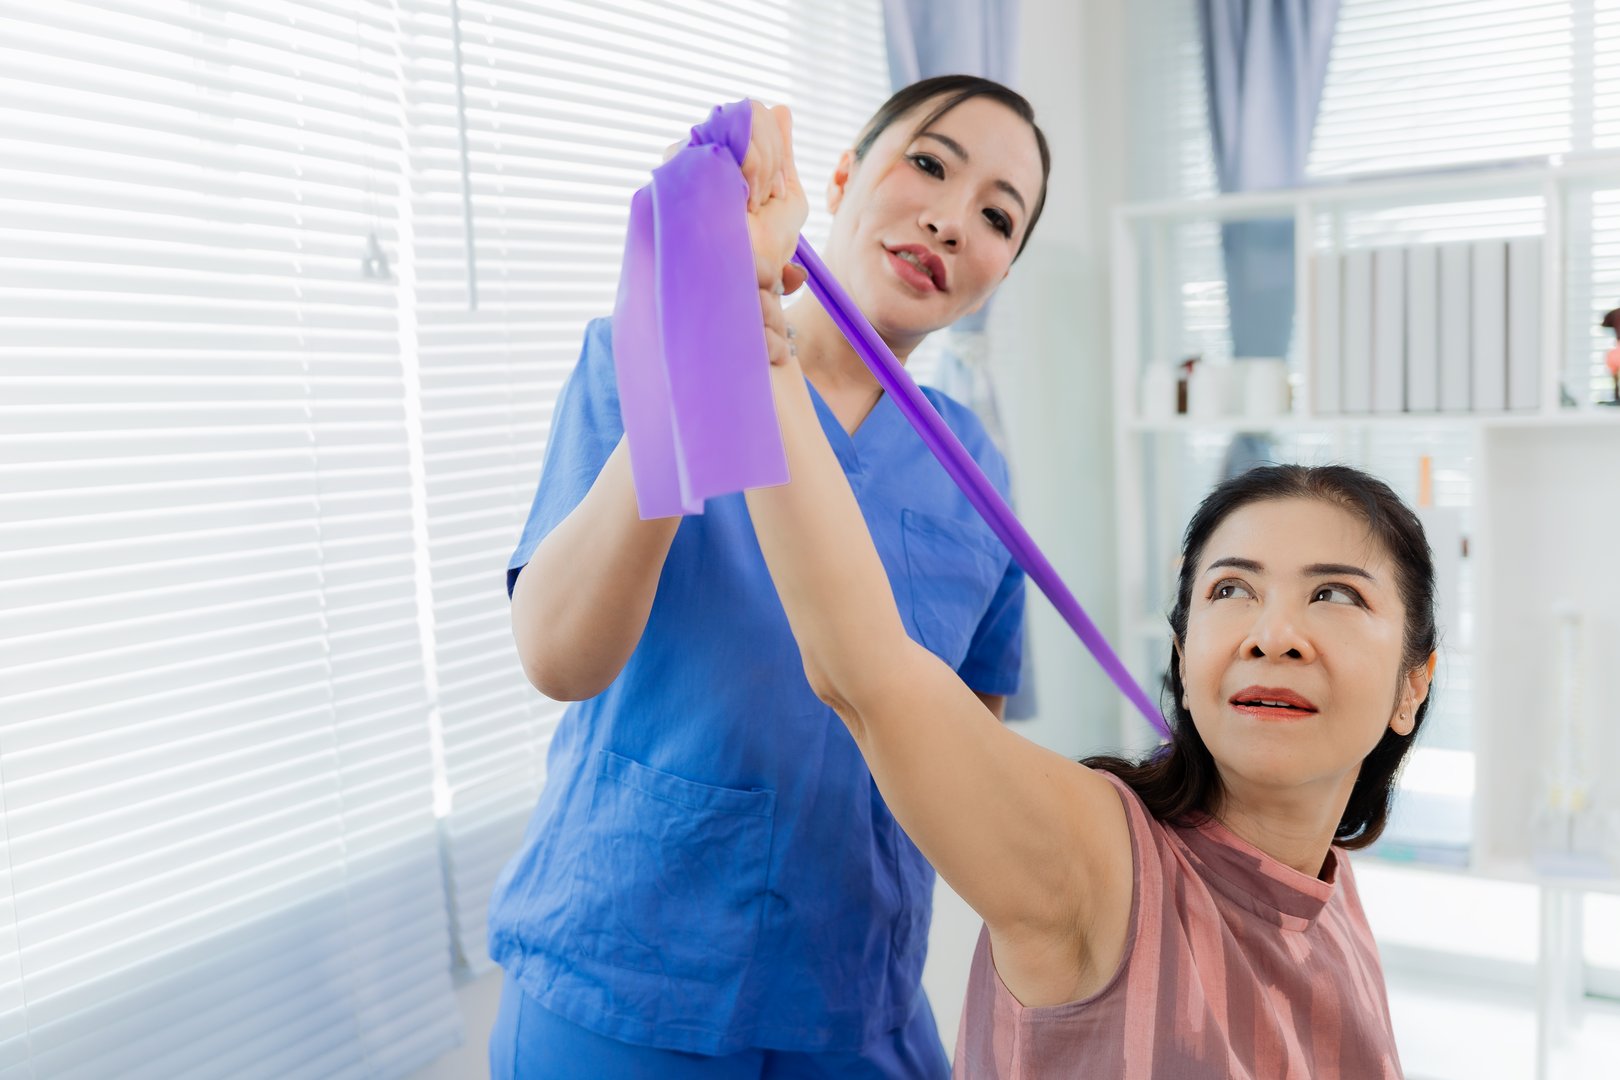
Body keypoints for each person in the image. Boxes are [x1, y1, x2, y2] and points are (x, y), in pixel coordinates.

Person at [744, 166, 1437, 1071]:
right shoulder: (1097, 865)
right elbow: (865, 672)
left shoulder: (1329, 895)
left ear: (1411, 685)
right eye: (1231, 589)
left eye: (1334, 593)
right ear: (1187, 655)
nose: (1273, 633)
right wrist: (759, 348)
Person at [488, 76, 1052, 1079]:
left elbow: (969, 761)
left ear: (1004, 268)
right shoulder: (646, 352)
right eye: (929, 164)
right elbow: (559, 654)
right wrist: (699, 363)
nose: (952, 220)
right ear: (842, 175)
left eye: (999, 217)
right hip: (625, 977)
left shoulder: (979, 475)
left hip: (856, 999)